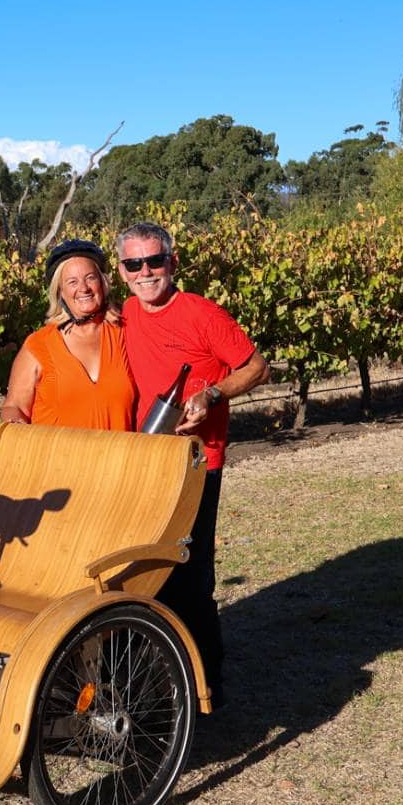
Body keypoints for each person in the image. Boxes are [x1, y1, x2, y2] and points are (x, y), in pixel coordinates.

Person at [115, 220, 269, 709]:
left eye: (154, 261)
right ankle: (156, 679)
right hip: (143, 458)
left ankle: (206, 687)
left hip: (196, 462)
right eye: (133, 264)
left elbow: (256, 366)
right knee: (143, 573)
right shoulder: (125, 316)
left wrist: (213, 393)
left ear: (172, 263)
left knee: (190, 573)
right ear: (121, 272)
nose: (145, 272)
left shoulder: (202, 314)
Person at [0, 238, 137, 430]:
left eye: (90, 278)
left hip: (118, 458)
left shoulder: (124, 333)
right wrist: (14, 422)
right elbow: (13, 406)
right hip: (58, 459)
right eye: (72, 282)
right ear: (60, 292)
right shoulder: (39, 345)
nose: (84, 288)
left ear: (103, 283)